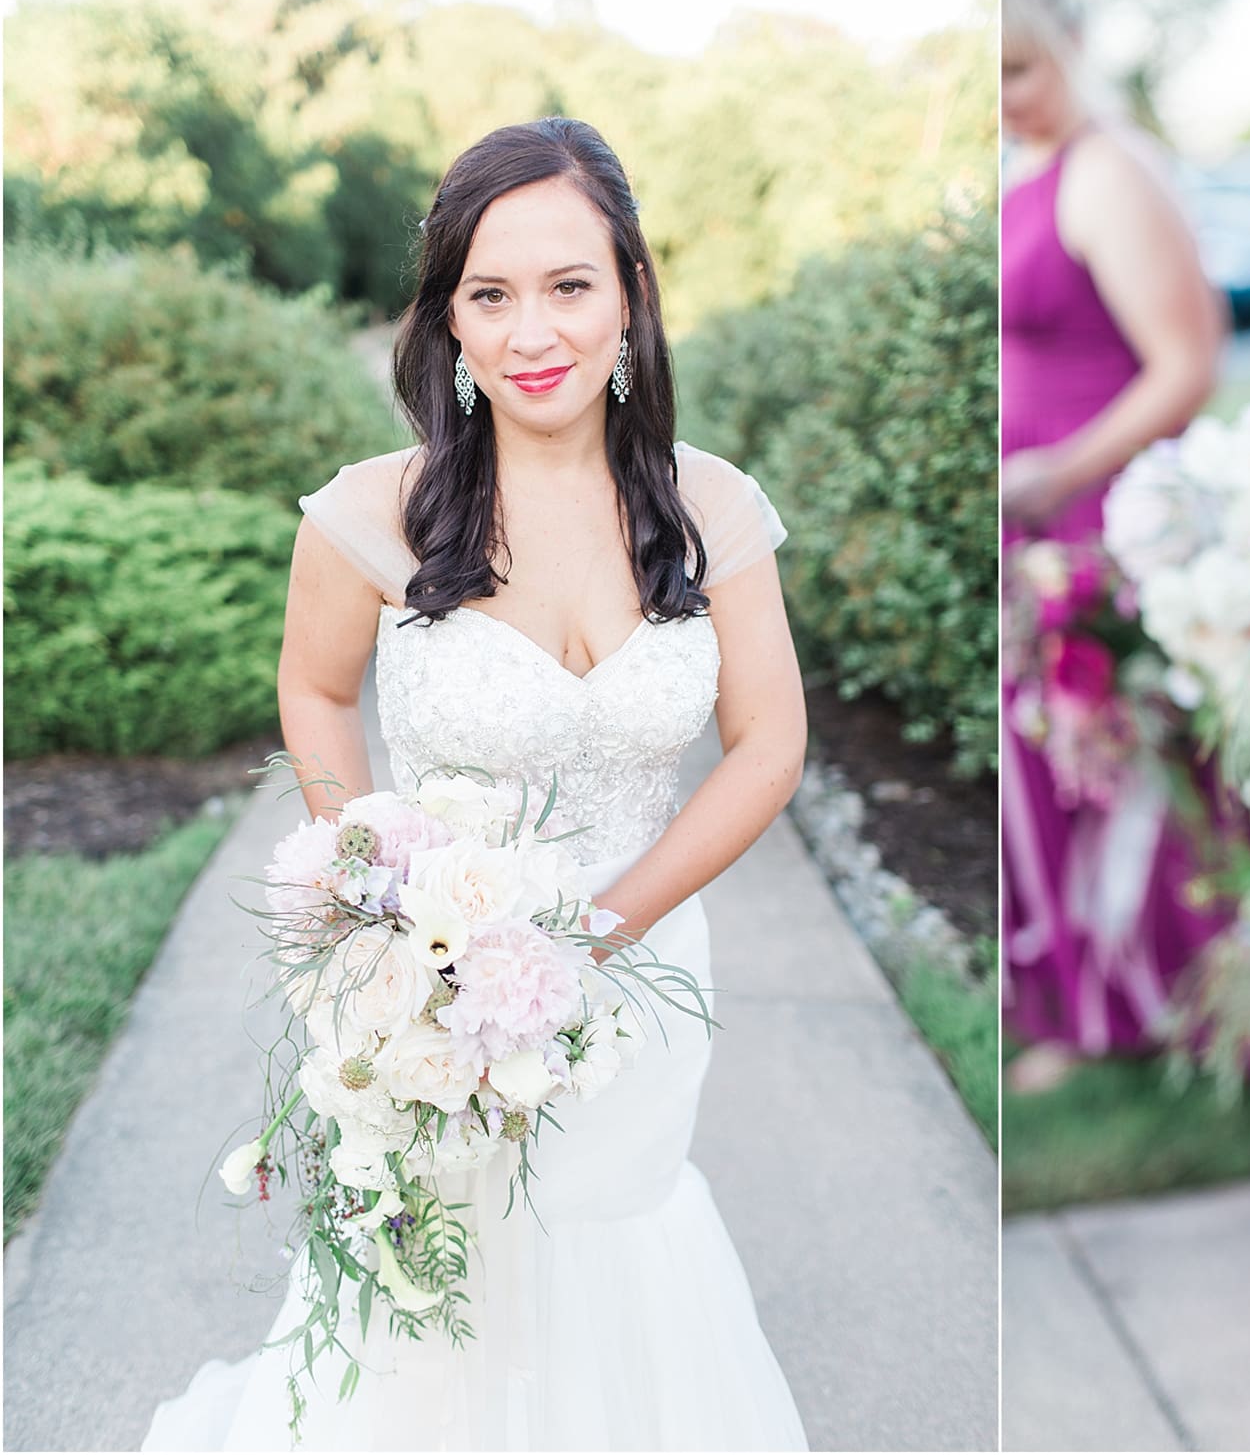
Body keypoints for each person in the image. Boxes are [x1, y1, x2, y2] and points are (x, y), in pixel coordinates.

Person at [141, 118, 809, 1451]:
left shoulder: (712, 509)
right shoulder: (368, 514)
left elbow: (769, 746)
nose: (532, 332)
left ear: (630, 293)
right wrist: (380, 891)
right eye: (490, 295)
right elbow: (314, 691)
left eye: (569, 285)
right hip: (435, 991)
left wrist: (595, 938)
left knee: (610, 1248)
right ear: (447, 316)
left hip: (642, 981)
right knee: (443, 1280)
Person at [998, 0, 1228, 1083]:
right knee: (1056, 765)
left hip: (1095, 511)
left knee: (1117, 763)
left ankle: (1160, 1003)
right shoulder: (1033, 168)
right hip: (1036, 517)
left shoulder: (1107, 171)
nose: (1005, 97)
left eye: (1019, 69)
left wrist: (1056, 473)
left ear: (1072, 44)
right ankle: (1076, 998)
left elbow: (1187, 365)